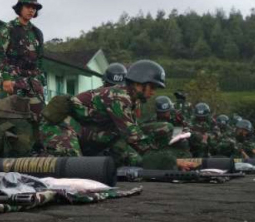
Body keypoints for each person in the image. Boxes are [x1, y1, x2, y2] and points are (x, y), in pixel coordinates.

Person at [41, 59, 172, 167]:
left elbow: (132, 135)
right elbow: (134, 139)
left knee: (131, 154)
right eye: (152, 87)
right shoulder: (119, 97)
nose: (154, 92)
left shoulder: (133, 100)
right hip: (61, 128)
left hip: (87, 133)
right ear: (139, 83)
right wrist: (168, 161)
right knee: (77, 169)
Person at [0, 0, 46, 129]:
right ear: (20, 7)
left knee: (40, 118)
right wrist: (6, 77)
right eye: (28, 6)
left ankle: (38, 149)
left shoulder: (37, 33)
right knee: (10, 119)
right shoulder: (9, 28)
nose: (31, 10)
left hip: (33, 80)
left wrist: (40, 80)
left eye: (34, 8)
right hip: (13, 78)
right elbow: (0, 56)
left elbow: (40, 60)